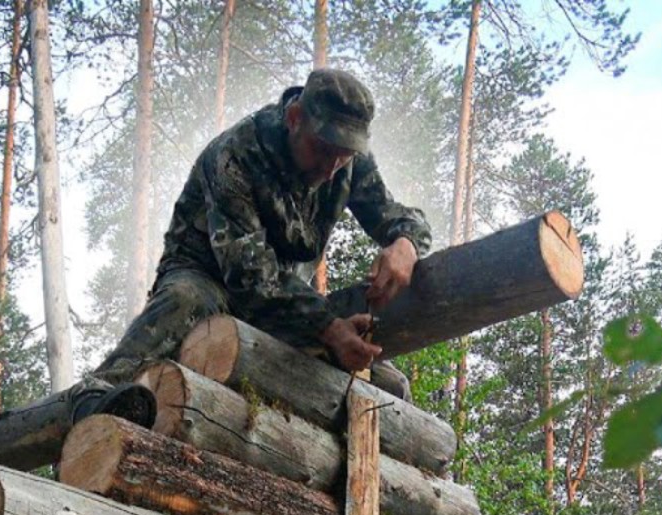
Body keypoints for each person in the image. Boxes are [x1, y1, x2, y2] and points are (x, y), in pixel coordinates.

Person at [86, 67, 431, 401]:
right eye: (323, 150)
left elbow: (394, 216)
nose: (330, 170)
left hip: (288, 303)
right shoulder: (234, 154)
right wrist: (327, 325)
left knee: (389, 388)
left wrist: (406, 243)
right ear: (295, 118)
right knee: (184, 300)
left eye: (343, 157)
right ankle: (94, 397)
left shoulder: (348, 160)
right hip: (211, 277)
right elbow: (249, 276)